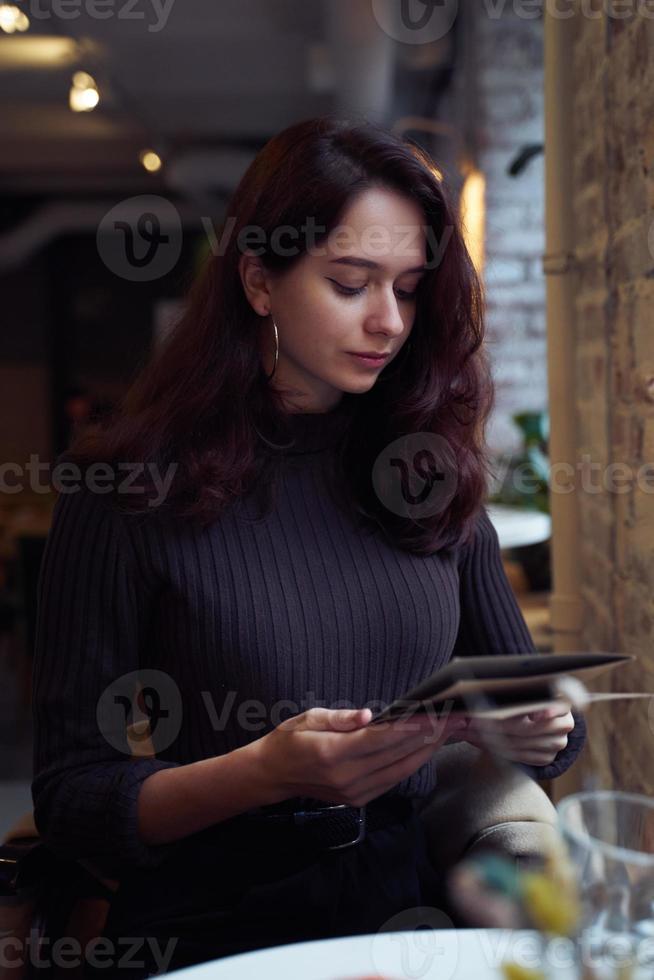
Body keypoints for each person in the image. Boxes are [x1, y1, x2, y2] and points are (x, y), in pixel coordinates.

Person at [31, 115, 586, 978]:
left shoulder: (428, 469)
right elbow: (71, 799)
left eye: (406, 288)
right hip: (212, 923)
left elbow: (535, 707)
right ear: (258, 280)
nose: (389, 321)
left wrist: (541, 727)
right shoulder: (129, 487)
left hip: (407, 918)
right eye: (352, 283)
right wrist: (262, 772)